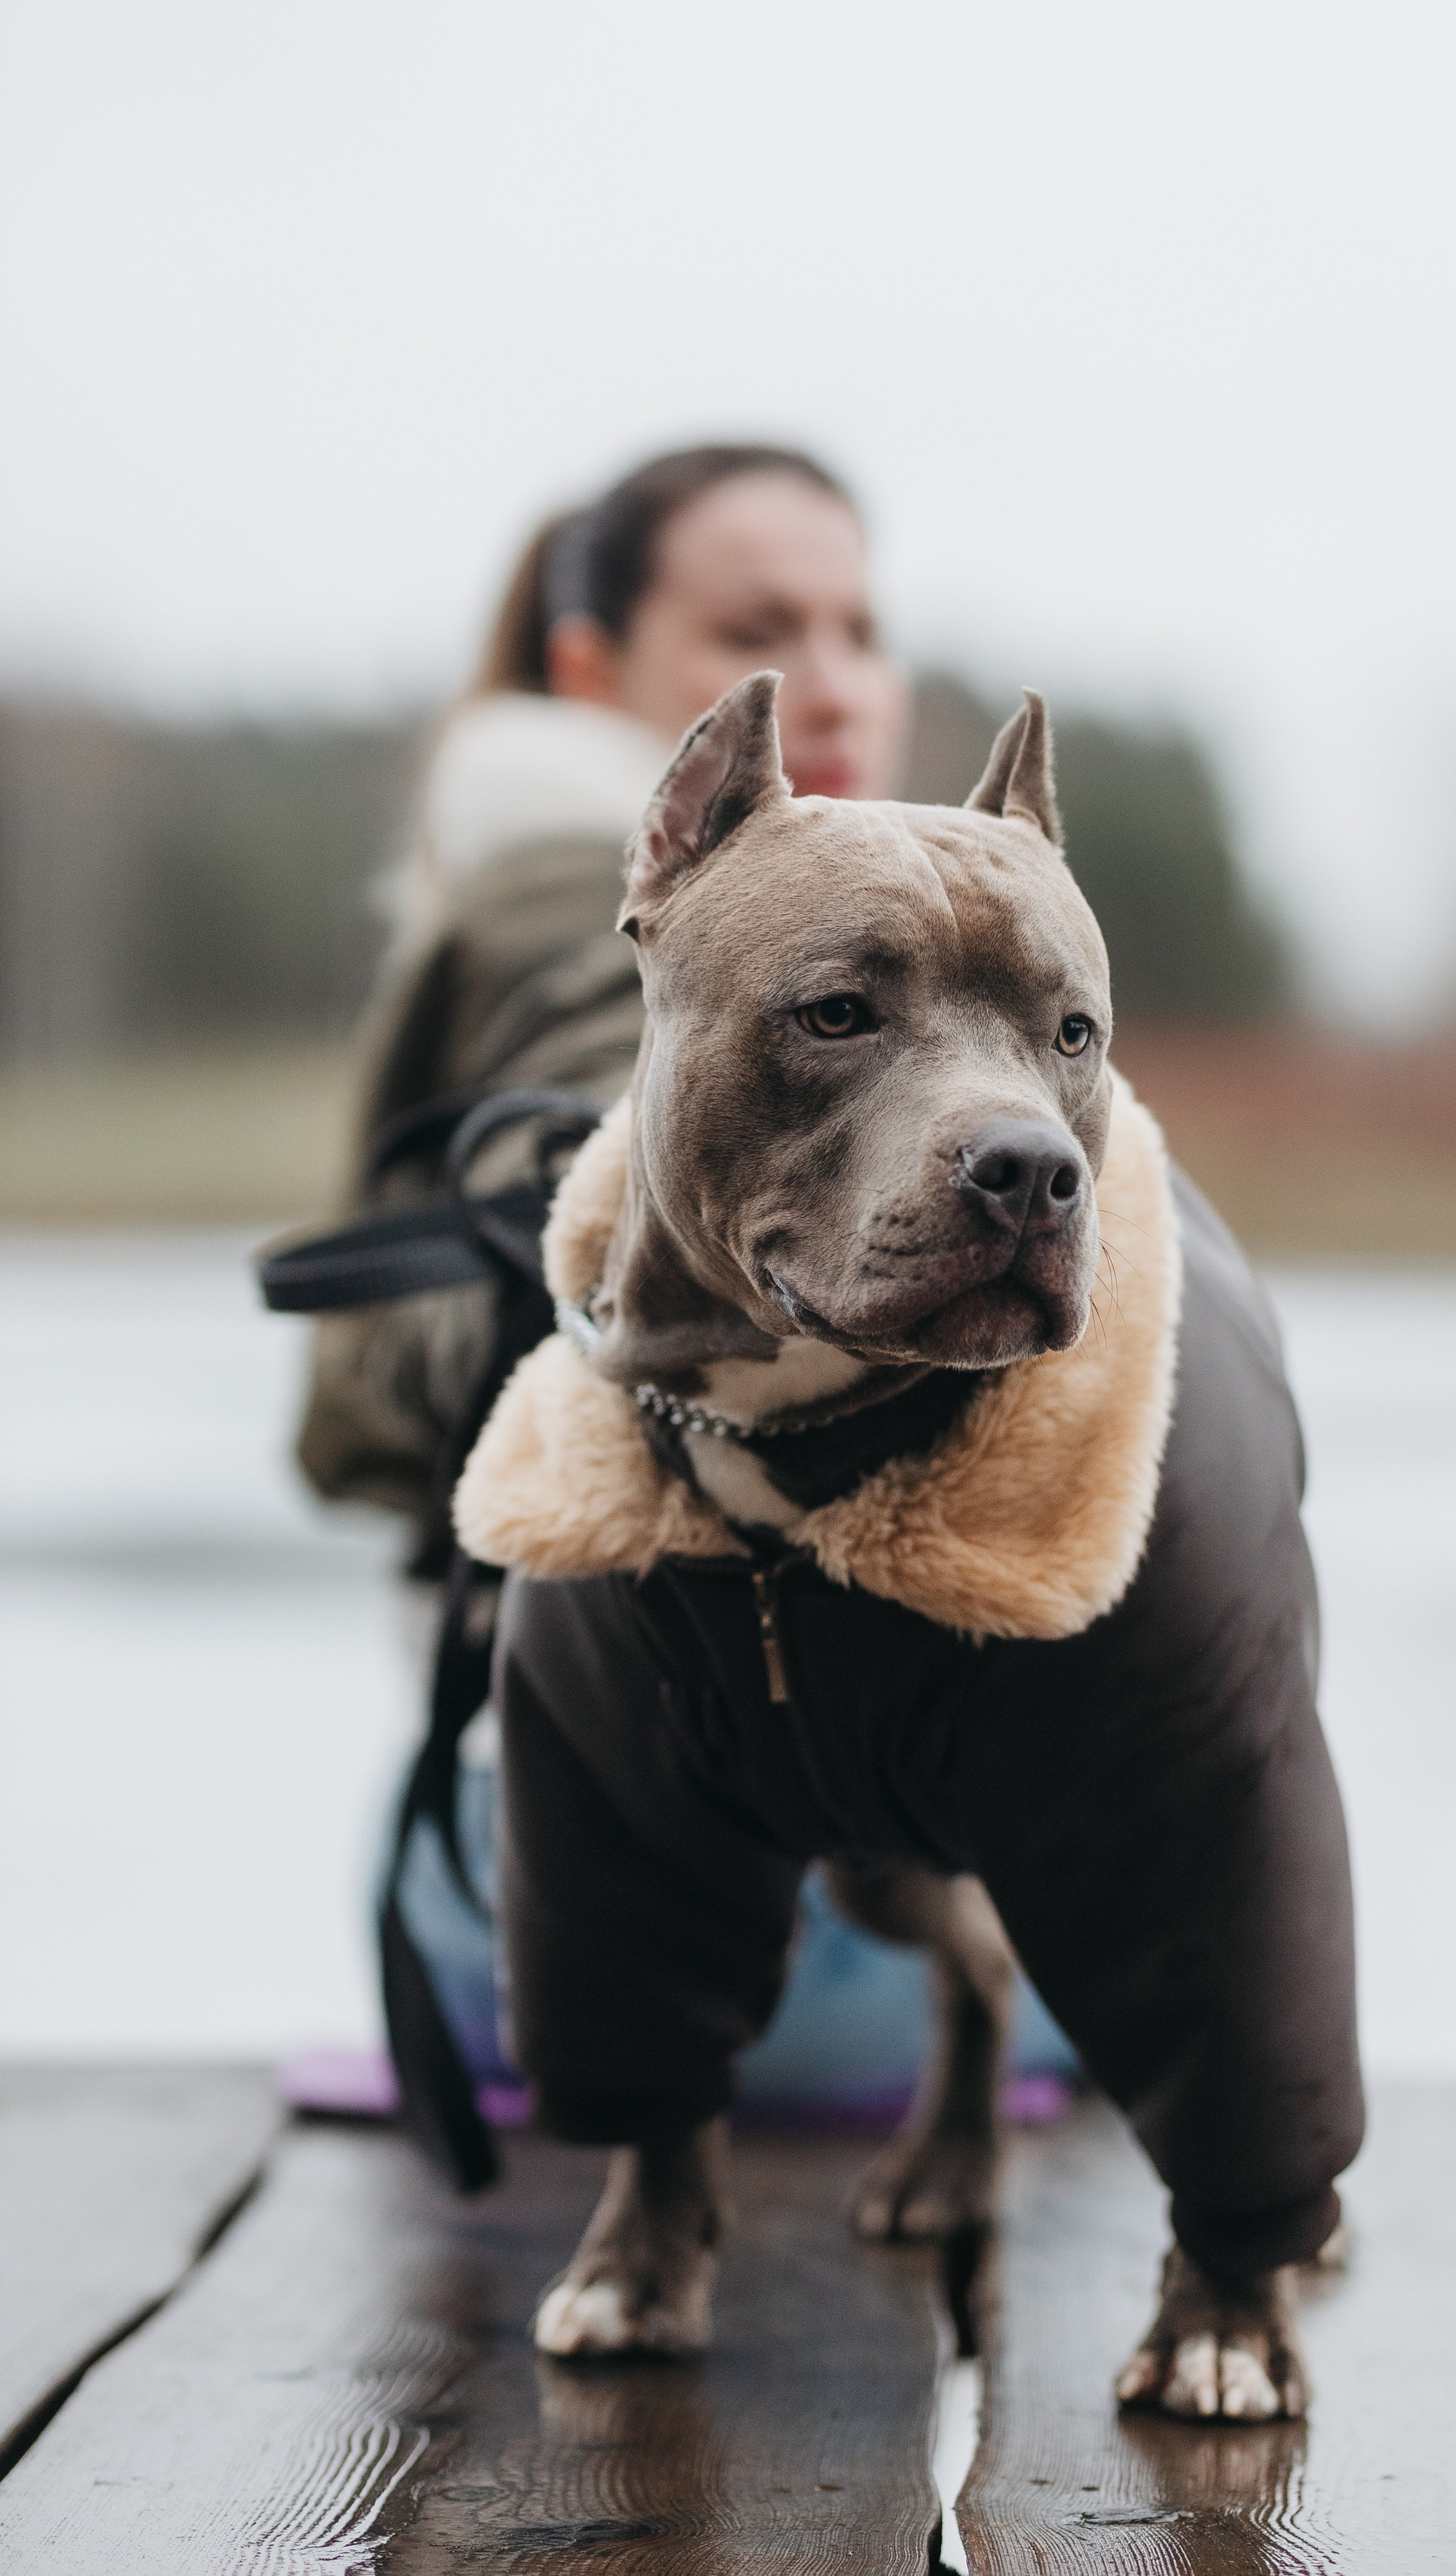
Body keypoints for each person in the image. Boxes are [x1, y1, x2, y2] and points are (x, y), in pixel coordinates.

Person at [289, 443, 1072, 2120]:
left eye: (860, 621)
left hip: (479, 1896)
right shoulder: (592, 894)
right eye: (758, 623)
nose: (838, 673)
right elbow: (575, 1165)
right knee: (1156, 1908)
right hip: (673, 1923)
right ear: (592, 672)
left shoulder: (804, 893)